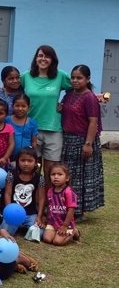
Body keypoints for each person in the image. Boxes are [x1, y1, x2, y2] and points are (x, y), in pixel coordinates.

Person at [20, 45, 72, 181]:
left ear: (52, 60)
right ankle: (34, 201)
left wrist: (64, 103)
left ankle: (49, 202)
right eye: (40, 56)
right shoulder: (26, 76)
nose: (43, 59)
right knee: (31, 169)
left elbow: (77, 88)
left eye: (47, 56)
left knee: (51, 171)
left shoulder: (60, 76)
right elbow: (11, 86)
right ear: (36, 58)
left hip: (53, 129)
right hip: (31, 129)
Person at [60, 64, 104, 221]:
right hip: (68, 140)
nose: (75, 80)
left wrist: (88, 143)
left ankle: (78, 211)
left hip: (83, 141)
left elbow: (93, 122)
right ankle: (66, 207)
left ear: (88, 79)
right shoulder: (69, 94)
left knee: (80, 177)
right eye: (73, 77)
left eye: (79, 78)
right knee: (69, 175)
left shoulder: (89, 97)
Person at [1, 147, 46, 238]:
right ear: (18, 161)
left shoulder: (39, 178)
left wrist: (39, 216)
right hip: (15, 212)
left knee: (40, 234)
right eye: (23, 160)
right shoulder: (11, 174)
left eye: (30, 161)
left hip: (30, 213)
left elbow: (41, 198)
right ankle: (14, 225)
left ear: (35, 162)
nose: (26, 164)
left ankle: (24, 228)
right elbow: (7, 194)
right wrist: (9, 212)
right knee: (5, 233)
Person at [44, 163, 81, 246]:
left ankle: (74, 232)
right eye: (53, 174)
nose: (56, 177)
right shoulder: (50, 191)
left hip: (65, 223)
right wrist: (47, 219)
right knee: (47, 239)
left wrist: (65, 226)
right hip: (53, 222)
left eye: (60, 174)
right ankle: (56, 231)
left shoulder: (69, 192)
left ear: (67, 178)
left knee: (57, 242)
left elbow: (71, 210)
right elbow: (50, 206)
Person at [5, 94, 38, 167]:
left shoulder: (32, 123)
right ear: (12, 106)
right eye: (17, 106)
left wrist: (34, 157)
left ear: (29, 107)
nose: (20, 109)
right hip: (9, 158)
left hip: (26, 159)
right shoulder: (7, 120)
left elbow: (34, 142)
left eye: (23, 106)